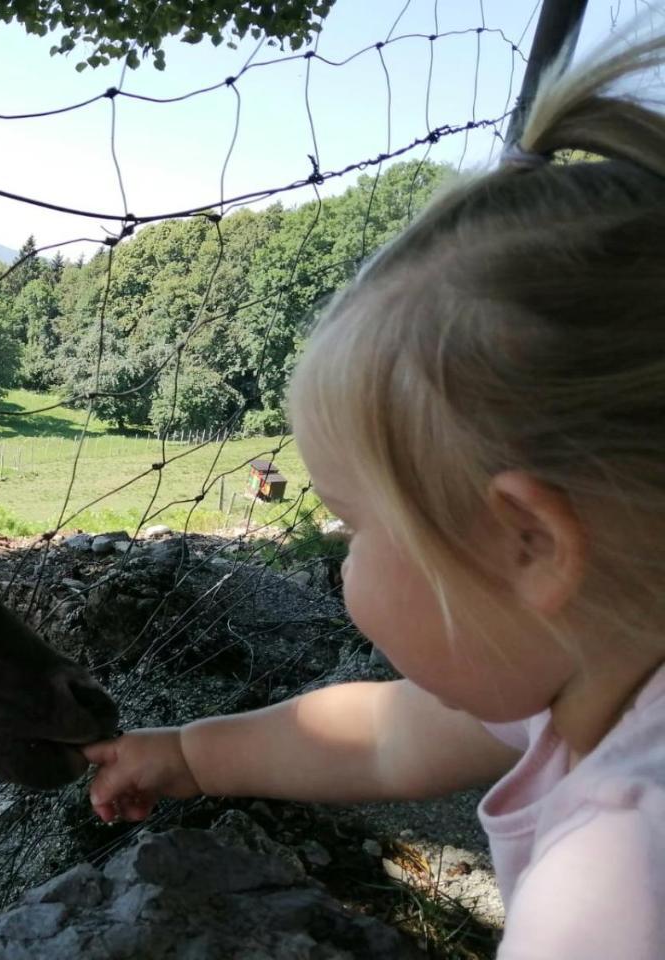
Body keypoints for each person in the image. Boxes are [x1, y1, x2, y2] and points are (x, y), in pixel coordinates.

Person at [82, 26, 665, 959]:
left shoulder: (616, 881)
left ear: (531, 545)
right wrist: (192, 754)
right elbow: (389, 735)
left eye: (352, 525)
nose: (337, 546)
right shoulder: (603, 650)